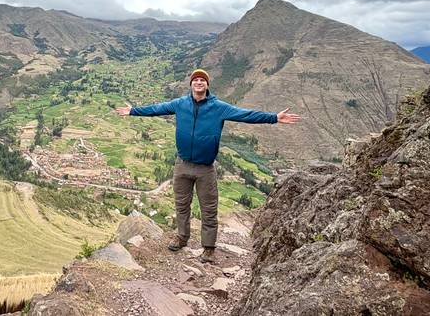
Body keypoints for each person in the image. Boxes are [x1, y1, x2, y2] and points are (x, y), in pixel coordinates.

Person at [116, 68, 301, 263]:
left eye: (202, 80)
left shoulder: (218, 107)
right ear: (191, 84)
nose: (198, 83)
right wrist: (132, 111)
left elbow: (246, 115)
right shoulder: (180, 104)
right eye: (195, 80)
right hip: (182, 164)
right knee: (181, 205)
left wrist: (274, 118)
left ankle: (209, 248)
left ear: (207, 85)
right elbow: (156, 109)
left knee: (209, 208)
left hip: (205, 168)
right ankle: (182, 238)